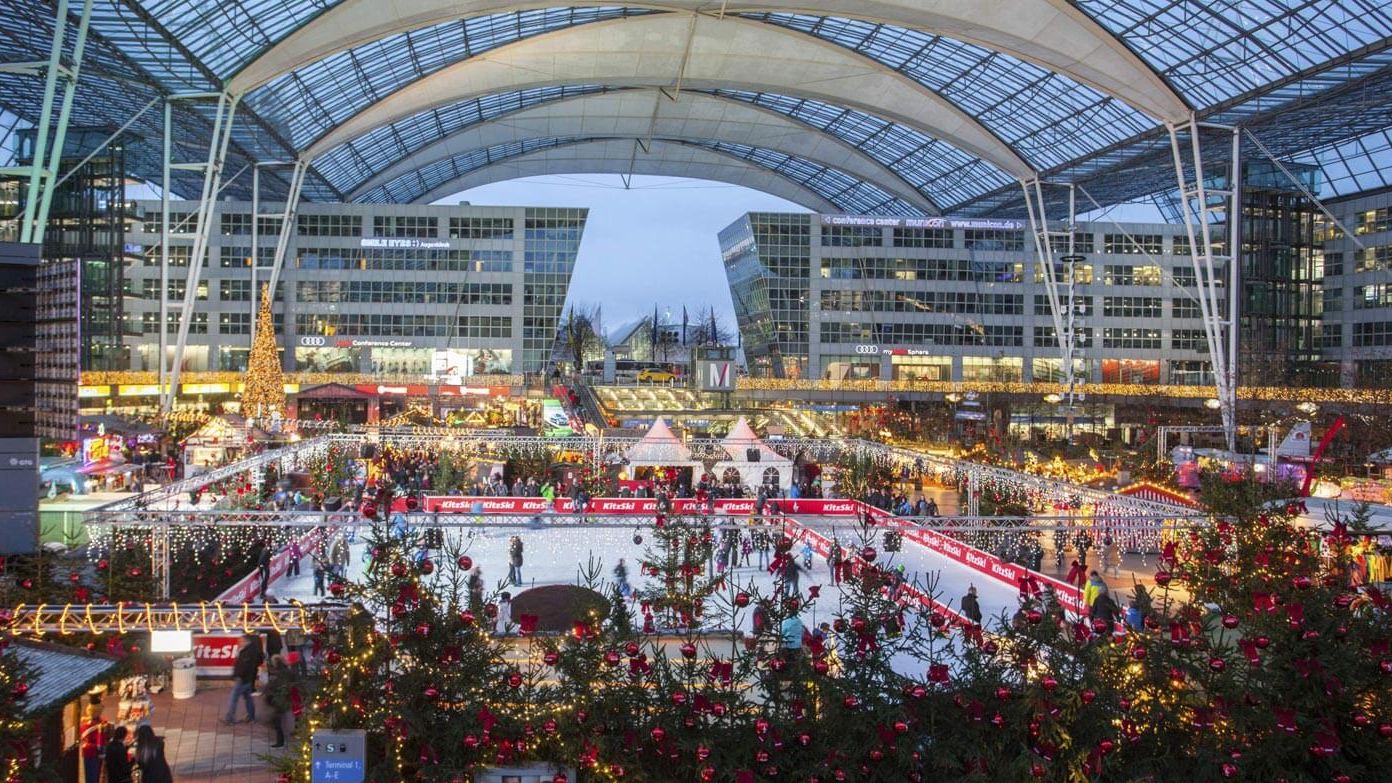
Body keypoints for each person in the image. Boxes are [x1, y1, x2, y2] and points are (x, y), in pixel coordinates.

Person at [224, 633, 263, 724]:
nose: (239, 642)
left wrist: (237, 676)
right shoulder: (250, 651)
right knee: (248, 699)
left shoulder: (246, 653)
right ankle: (251, 716)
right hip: (248, 679)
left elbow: (243, 667)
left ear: (246, 641)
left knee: (233, 699)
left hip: (242, 680)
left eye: (241, 641)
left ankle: (229, 718)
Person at [266, 652, 296, 748]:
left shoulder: (279, 673)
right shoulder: (286, 671)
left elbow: (278, 686)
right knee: (281, 719)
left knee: (278, 720)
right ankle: (282, 739)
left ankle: (281, 741)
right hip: (285, 698)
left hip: (281, 699)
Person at [79, 695, 108, 783]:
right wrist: (102, 752)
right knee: (95, 773)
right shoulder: (100, 725)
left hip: (86, 749)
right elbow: (100, 741)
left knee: (88, 772)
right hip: (95, 750)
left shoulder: (84, 723)